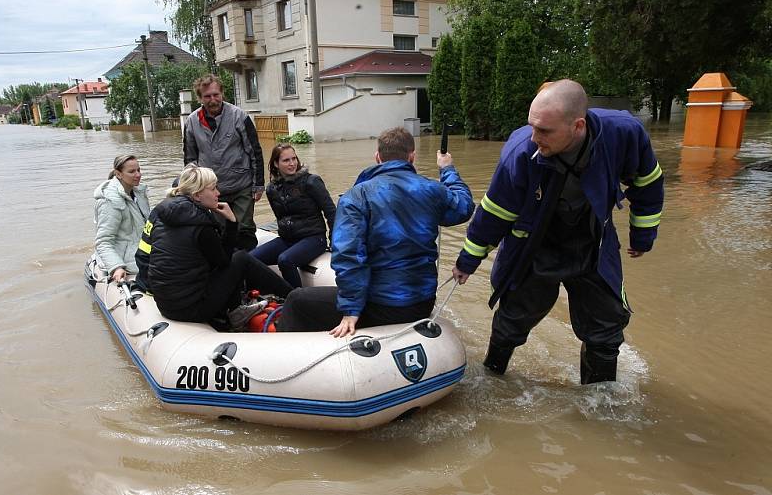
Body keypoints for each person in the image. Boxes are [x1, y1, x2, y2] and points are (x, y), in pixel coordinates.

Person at [452, 79, 664, 384]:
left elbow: (647, 182)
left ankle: (599, 404)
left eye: (545, 131)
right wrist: (467, 260)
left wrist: (643, 235)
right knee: (511, 320)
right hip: (535, 244)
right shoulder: (521, 151)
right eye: (532, 126)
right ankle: (493, 379)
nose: (534, 137)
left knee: (605, 330)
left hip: (592, 240)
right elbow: (495, 212)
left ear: (577, 126)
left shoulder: (623, 133)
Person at [276, 127, 475, 336]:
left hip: (380, 304)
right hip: (422, 302)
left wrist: (351, 309)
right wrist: (447, 169)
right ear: (412, 157)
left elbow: (348, 254)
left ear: (377, 157)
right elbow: (464, 207)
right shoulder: (431, 190)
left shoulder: (357, 196)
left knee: (296, 299)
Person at [135, 164, 292, 331]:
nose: (218, 193)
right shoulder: (201, 226)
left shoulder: (163, 216)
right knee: (241, 258)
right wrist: (232, 222)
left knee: (236, 256)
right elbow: (223, 262)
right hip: (191, 308)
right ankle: (293, 296)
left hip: (166, 305)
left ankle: (237, 308)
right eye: (213, 189)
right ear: (197, 195)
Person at [183, 74, 264, 251]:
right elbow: (190, 160)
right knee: (218, 232)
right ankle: (226, 269)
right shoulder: (191, 122)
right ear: (200, 98)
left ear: (222, 93)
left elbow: (255, 151)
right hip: (211, 189)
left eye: (216, 94)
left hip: (241, 185)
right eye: (207, 96)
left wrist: (258, 185)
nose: (213, 100)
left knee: (244, 228)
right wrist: (191, 191)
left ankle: (250, 265)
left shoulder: (239, 116)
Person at [251, 143, 336, 288]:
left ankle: (296, 299)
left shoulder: (312, 181)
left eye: (294, 158)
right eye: (286, 160)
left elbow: (331, 212)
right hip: (287, 240)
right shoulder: (272, 189)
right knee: (251, 259)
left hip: (314, 238)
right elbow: (280, 218)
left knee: (285, 260)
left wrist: (335, 242)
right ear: (276, 164)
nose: (292, 163)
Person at [94, 154, 150, 282]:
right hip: (126, 259)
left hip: (141, 253)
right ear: (118, 174)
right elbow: (103, 241)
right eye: (132, 171)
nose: (138, 175)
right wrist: (116, 267)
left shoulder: (139, 193)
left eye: (139, 170)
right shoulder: (109, 202)